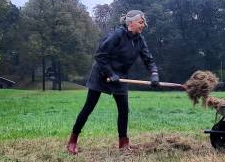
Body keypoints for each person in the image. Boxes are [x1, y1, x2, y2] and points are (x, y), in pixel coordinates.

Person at [66, 10, 160, 154]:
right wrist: (110, 73)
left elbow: (149, 60)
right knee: (88, 107)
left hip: (120, 76)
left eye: (144, 23)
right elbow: (100, 55)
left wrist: (154, 75)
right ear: (131, 23)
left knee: (123, 110)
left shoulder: (140, 40)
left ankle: (123, 143)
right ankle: (72, 141)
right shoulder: (117, 35)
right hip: (102, 73)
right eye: (141, 22)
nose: (143, 25)